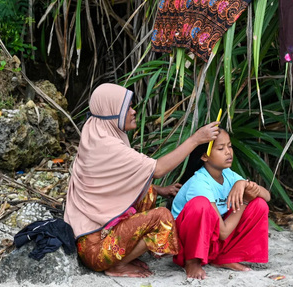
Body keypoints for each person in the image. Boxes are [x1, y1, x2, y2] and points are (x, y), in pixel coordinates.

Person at [64, 83, 220, 278]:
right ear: (112, 111)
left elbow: (112, 182)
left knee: (146, 190)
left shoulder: (96, 131)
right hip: (97, 251)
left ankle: (124, 255)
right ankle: (117, 265)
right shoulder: (108, 145)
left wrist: (159, 190)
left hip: (91, 238)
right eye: (127, 107)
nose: (133, 111)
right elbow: (159, 169)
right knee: (162, 217)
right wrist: (196, 139)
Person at [171, 128, 271, 279]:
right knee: (200, 204)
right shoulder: (200, 182)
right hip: (187, 246)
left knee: (259, 205)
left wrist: (242, 183)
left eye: (229, 146)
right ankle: (192, 263)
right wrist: (244, 201)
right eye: (220, 148)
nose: (228, 152)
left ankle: (224, 258)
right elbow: (223, 233)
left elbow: (267, 196)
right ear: (204, 155)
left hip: (211, 240)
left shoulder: (228, 175)